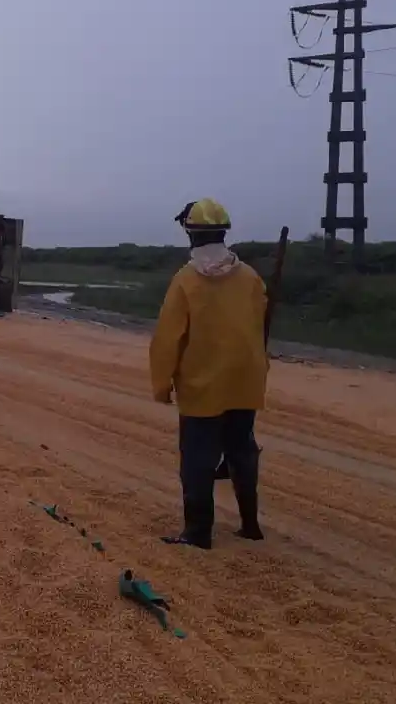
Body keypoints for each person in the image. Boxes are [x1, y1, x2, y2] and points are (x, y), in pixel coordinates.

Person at [149, 198, 268, 550]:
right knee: (242, 452)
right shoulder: (249, 276)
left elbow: (168, 338)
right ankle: (250, 525)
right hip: (245, 382)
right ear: (223, 231)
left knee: (198, 461)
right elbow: (259, 322)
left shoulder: (186, 280)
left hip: (202, 387)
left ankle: (198, 533)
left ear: (190, 233)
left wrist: (161, 383)